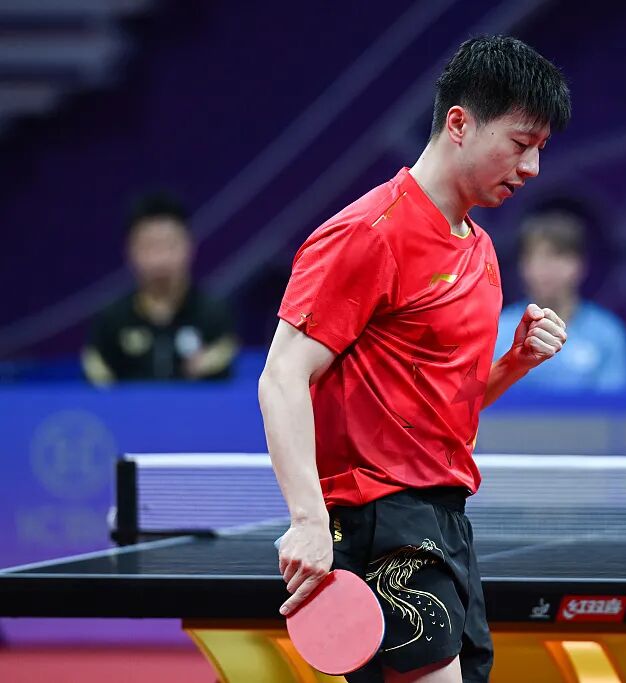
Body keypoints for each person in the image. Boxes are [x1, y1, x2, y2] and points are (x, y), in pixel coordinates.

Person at [258, 36, 570, 683]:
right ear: (459, 123)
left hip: (446, 517)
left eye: (541, 147)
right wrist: (308, 518)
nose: (534, 166)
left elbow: (442, 408)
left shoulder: (480, 251)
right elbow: (282, 374)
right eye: (521, 143)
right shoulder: (368, 233)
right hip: (380, 516)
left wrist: (513, 363)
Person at [82, 191, 237, 385]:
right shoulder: (111, 320)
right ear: (130, 251)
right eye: (149, 247)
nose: (160, 260)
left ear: (189, 247)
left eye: (169, 246)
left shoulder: (215, 314)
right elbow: (97, 380)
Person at [494, 208, 626, 393]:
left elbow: (614, 406)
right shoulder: (498, 329)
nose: (545, 269)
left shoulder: (608, 333)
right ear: (523, 266)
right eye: (535, 258)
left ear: (580, 265)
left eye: (557, 256)